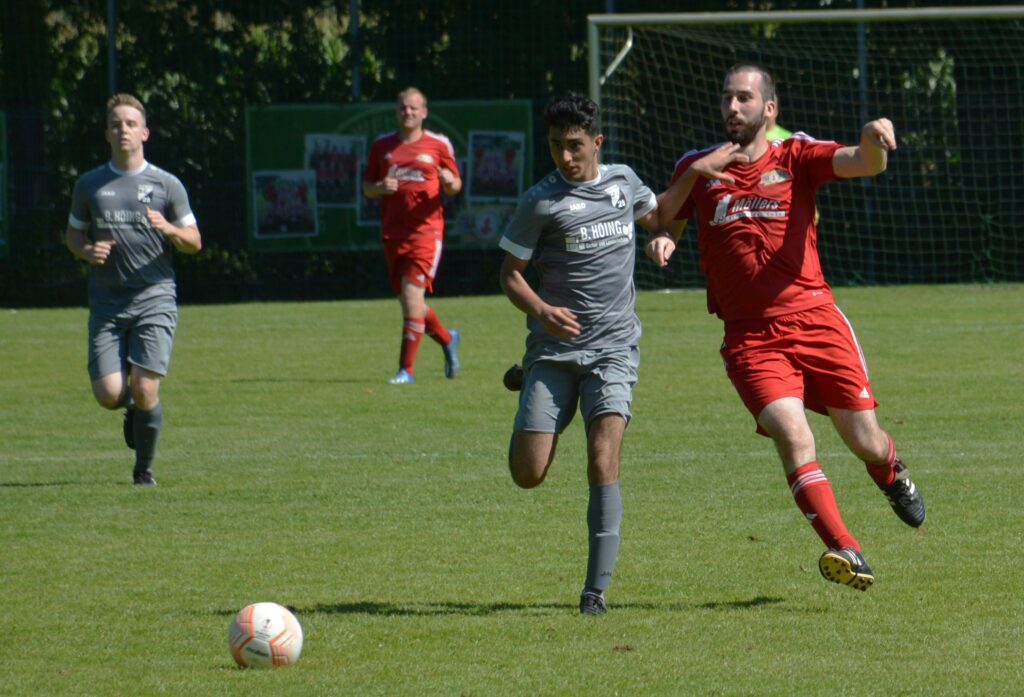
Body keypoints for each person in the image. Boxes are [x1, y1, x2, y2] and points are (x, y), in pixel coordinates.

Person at [647, 62, 925, 592]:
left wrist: (874, 138)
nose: (733, 107)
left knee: (864, 440)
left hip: (816, 322)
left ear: (768, 109)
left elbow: (864, 162)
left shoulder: (795, 155)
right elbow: (664, 218)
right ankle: (846, 548)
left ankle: (890, 471)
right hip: (750, 338)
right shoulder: (697, 165)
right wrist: (670, 232)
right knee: (793, 436)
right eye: (727, 98)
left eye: (745, 99)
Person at [498, 93, 725, 615]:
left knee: (603, 458)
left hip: (614, 350)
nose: (565, 157)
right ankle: (529, 377)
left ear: (597, 142)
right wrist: (541, 309)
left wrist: (666, 238)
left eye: (574, 146)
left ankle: (594, 591)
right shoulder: (541, 201)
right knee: (528, 474)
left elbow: (665, 215)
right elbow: (509, 276)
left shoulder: (624, 184)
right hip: (555, 351)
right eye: (556, 147)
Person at [65, 94, 202, 486]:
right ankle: (136, 412)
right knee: (109, 394)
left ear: (144, 132)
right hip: (107, 302)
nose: (122, 129)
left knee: (145, 386)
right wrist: (87, 250)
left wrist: (170, 230)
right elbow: (73, 234)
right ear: (106, 133)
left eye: (129, 123)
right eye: (115, 124)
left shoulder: (166, 185)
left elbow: (194, 241)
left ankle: (144, 471)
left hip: (154, 297)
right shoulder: (90, 185)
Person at [363, 87, 462, 385]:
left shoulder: (438, 144)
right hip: (393, 234)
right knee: (412, 304)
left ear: (424, 112)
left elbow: (456, 183)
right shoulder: (382, 146)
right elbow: (367, 187)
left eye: (414, 108)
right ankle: (447, 338)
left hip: (426, 233)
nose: (408, 112)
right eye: (403, 108)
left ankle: (406, 370)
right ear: (397, 111)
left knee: (411, 296)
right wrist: (380, 188)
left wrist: (448, 181)